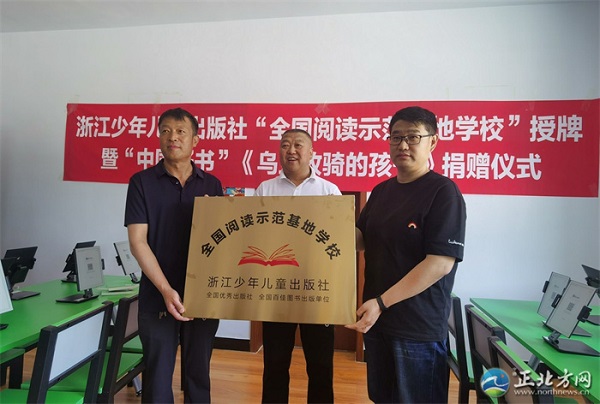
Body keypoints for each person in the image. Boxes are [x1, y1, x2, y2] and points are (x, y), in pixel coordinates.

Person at [346, 106, 467, 403]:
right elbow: (361, 239)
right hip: (377, 321)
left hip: (417, 328)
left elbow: (439, 263)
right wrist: (324, 223)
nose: (402, 145)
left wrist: (381, 303)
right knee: (382, 398)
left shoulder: (443, 193)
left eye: (413, 137)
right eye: (396, 137)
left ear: (432, 142)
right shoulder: (381, 191)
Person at [125, 107, 223, 403]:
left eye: (181, 131)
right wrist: (166, 290)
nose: (172, 137)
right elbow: (138, 241)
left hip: (203, 295)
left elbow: (223, 243)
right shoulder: (141, 182)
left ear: (195, 140)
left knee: (198, 374)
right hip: (157, 294)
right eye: (165, 131)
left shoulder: (212, 184)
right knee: (157, 376)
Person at [256, 128, 341, 403]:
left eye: (298, 145)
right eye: (285, 145)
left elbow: (338, 243)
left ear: (312, 152)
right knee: (275, 363)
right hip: (276, 289)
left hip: (317, 289)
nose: (291, 150)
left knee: (320, 365)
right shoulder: (265, 189)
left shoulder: (329, 191)